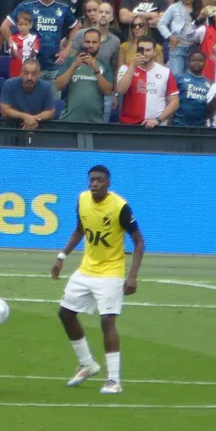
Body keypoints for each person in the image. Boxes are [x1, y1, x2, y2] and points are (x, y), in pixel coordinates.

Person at [50, 164, 146, 395]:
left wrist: (132, 276)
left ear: (108, 183)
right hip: (86, 269)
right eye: (91, 180)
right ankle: (87, 364)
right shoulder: (82, 199)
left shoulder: (120, 207)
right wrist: (61, 256)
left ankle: (114, 380)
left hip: (111, 271)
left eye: (99, 180)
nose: (94, 184)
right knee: (65, 313)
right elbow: (80, 230)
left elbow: (139, 241)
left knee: (107, 321)